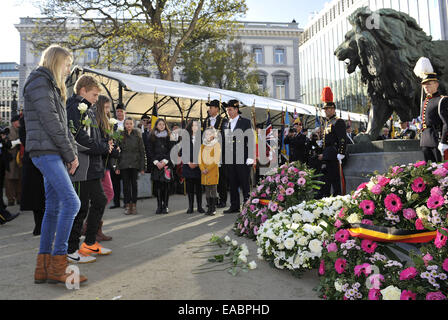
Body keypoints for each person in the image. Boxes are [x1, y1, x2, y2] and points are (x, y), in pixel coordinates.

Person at [23, 44, 86, 284]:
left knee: (53, 208)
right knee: (72, 202)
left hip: (52, 151)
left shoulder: (51, 84)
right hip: (46, 151)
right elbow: (52, 123)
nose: (68, 68)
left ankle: (43, 268)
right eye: (67, 63)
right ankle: (59, 262)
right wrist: (70, 154)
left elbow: (63, 124)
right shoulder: (39, 82)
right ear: (56, 61)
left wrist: (73, 154)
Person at [66, 75, 112, 264]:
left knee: (100, 200)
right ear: (83, 90)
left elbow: (96, 133)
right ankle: (71, 248)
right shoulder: (73, 106)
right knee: (81, 207)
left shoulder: (89, 109)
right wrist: (101, 147)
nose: (96, 99)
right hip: (81, 167)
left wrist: (107, 144)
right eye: (94, 95)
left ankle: (90, 242)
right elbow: (76, 136)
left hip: (92, 166)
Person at [91, 94, 118, 241]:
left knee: (105, 195)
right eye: (106, 107)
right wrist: (110, 148)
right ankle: (92, 225)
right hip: (99, 163)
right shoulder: (96, 121)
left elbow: (110, 143)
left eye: (109, 107)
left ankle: (95, 227)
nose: (108, 110)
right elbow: (100, 143)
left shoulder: (109, 122)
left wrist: (115, 149)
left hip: (106, 163)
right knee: (107, 194)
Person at [223, 100, 254, 214]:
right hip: (230, 158)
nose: (228, 112)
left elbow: (250, 139)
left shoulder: (245, 122)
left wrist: (250, 156)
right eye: (227, 110)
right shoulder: (227, 123)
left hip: (242, 157)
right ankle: (234, 205)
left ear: (236, 109)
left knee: (244, 182)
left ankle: (247, 206)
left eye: (230, 109)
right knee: (232, 183)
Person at [19, 112, 44, 235]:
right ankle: (39, 225)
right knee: (36, 195)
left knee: (42, 195)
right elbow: (24, 139)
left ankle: (41, 225)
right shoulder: (26, 118)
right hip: (33, 160)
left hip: (41, 158)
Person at [115, 117, 146, 215]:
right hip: (123, 164)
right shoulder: (120, 135)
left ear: (133, 124)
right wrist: (116, 167)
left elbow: (142, 151)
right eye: (127, 123)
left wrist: (142, 167)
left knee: (134, 185)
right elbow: (116, 152)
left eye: (130, 123)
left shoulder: (137, 135)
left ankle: (134, 205)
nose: (128, 125)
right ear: (124, 125)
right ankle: (127, 205)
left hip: (135, 164)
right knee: (126, 186)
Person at [317, 101, 347, 198]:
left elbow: (342, 138)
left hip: (334, 155)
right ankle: (325, 197)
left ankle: (338, 198)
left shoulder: (339, 121)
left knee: (335, 180)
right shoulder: (327, 122)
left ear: (333, 109)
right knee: (325, 179)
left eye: (328, 109)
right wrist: (322, 144)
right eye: (325, 109)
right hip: (327, 155)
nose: (326, 111)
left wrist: (341, 152)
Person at [204, 99, 228, 208]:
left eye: (211, 107)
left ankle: (223, 200)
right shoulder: (206, 121)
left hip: (219, 153)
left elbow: (225, 136)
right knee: (210, 177)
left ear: (217, 109)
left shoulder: (224, 120)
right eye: (209, 108)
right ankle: (212, 200)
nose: (209, 109)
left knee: (221, 178)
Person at [419, 73, 448, 162]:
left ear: (436, 84)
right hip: (425, 140)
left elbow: (446, 123)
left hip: (437, 140)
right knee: (429, 171)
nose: (426, 87)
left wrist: (443, 141)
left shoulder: (442, 100)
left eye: (428, 84)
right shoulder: (424, 102)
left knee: (441, 171)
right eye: (424, 84)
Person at [149, 118, 174, 214]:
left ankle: (166, 206)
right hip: (156, 165)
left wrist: (164, 162)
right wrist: (156, 162)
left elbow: (172, 150)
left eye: (163, 124)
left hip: (166, 165)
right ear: (156, 125)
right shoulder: (151, 136)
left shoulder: (170, 136)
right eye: (159, 124)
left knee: (166, 186)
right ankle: (159, 205)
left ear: (165, 126)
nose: (161, 126)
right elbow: (150, 151)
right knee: (158, 186)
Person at [182, 120, 204, 214]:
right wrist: (188, 162)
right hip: (188, 166)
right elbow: (183, 152)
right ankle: (190, 207)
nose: (195, 127)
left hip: (199, 166)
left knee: (199, 188)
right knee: (190, 188)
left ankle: (199, 207)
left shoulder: (202, 138)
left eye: (196, 126)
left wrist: (198, 163)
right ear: (190, 127)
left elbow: (204, 152)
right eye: (193, 125)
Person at [199, 127, 221, 216]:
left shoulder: (216, 145)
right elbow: (199, 159)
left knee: (213, 190)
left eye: (210, 134)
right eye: (206, 134)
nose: (208, 136)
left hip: (212, 171)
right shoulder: (202, 145)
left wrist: (207, 169)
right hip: (204, 172)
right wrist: (202, 169)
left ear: (213, 135)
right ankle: (209, 208)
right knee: (207, 191)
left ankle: (213, 208)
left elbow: (216, 159)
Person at [109, 104, 126, 209]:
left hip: (125, 157)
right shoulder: (112, 124)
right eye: (118, 111)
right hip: (114, 156)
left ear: (125, 112)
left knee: (126, 181)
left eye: (121, 111)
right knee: (115, 181)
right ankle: (116, 202)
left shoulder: (129, 123)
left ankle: (127, 202)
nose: (119, 113)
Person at [5, 114, 22, 206]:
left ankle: (19, 198)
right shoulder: (8, 130)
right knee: (10, 180)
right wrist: (17, 142)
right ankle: (11, 199)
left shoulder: (21, 130)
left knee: (20, 179)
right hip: (10, 158)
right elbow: (7, 143)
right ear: (14, 122)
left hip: (19, 158)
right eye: (18, 121)